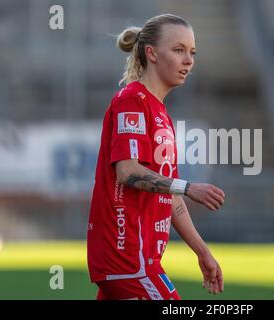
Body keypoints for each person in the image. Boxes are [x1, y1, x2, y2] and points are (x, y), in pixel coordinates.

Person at [87, 14, 225, 300]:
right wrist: (188, 187)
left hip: (141, 261)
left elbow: (169, 196)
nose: (189, 60)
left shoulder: (160, 112)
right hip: (127, 259)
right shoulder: (131, 101)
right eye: (178, 50)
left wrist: (202, 252)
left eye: (192, 52)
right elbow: (127, 171)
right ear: (151, 53)